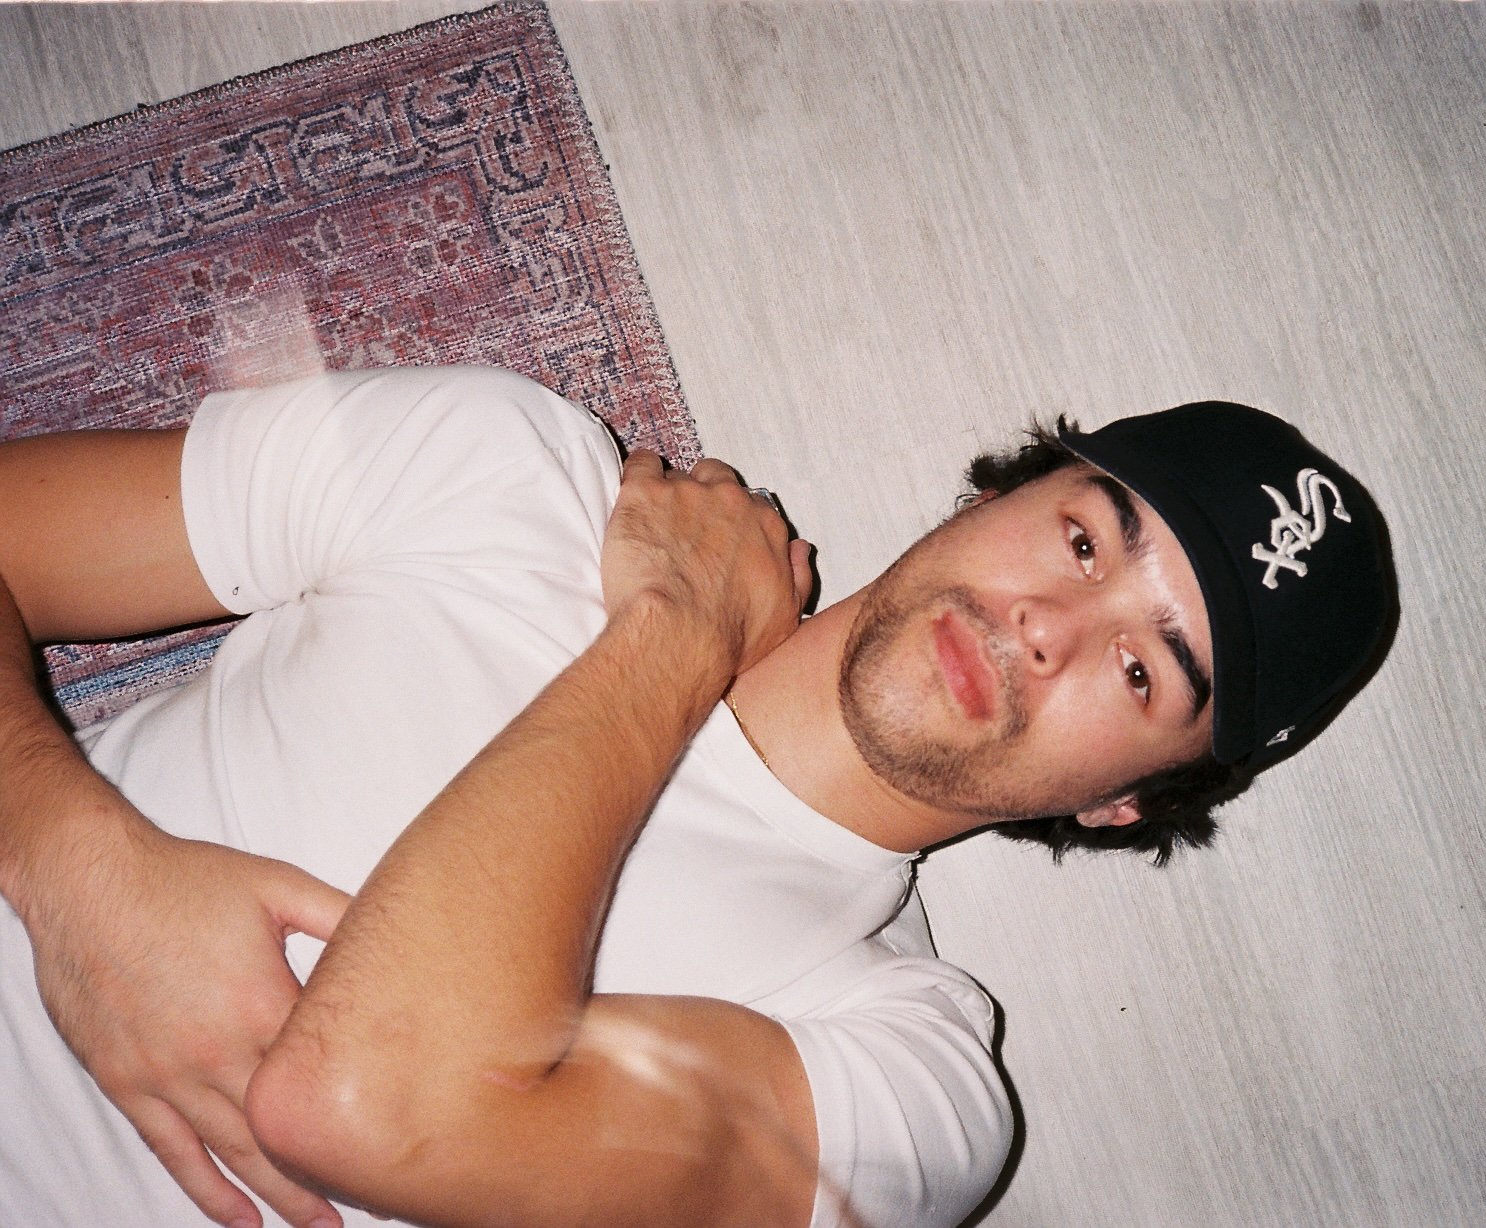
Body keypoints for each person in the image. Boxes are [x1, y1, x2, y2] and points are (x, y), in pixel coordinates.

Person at [0, 365, 1393, 1228]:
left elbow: (367, 1102)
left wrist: (666, 639)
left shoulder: (904, 1078)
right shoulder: (511, 480)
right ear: (1004, 491)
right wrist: (71, 862)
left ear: (1126, 806)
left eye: (1146, 673)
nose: (1052, 625)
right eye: (1084, 537)